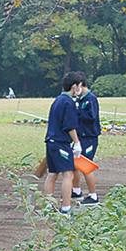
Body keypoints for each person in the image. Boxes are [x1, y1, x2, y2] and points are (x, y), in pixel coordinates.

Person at [43, 72, 84, 215]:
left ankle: (48, 205)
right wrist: (77, 142)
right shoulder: (69, 102)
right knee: (68, 174)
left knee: (52, 174)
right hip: (61, 143)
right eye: (79, 86)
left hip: (51, 141)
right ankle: (66, 207)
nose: (80, 89)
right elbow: (70, 126)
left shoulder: (58, 100)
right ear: (74, 86)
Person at [72, 76, 101, 207]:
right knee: (75, 164)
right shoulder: (81, 99)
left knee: (86, 166)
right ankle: (76, 190)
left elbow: (91, 117)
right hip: (81, 136)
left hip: (89, 137)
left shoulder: (91, 99)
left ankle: (93, 196)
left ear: (80, 84)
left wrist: (78, 111)